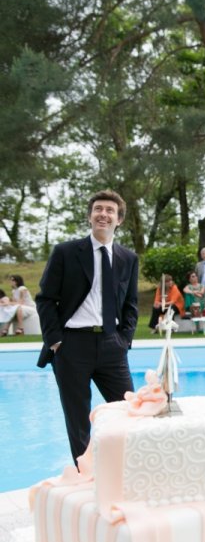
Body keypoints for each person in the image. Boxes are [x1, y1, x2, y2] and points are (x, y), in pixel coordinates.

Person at [35, 190, 140, 465]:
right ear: (90, 216)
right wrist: (55, 341)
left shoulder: (128, 258)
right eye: (98, 209)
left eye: (109, 210)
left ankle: (124, 469)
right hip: (71, 345)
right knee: (77, 417)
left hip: (111, 345)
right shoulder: (66, 253)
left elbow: (131, 304)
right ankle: (84, 474)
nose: (103, 214)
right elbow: (46, 299)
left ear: (119, 220)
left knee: (127, 410)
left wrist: (124, 339)